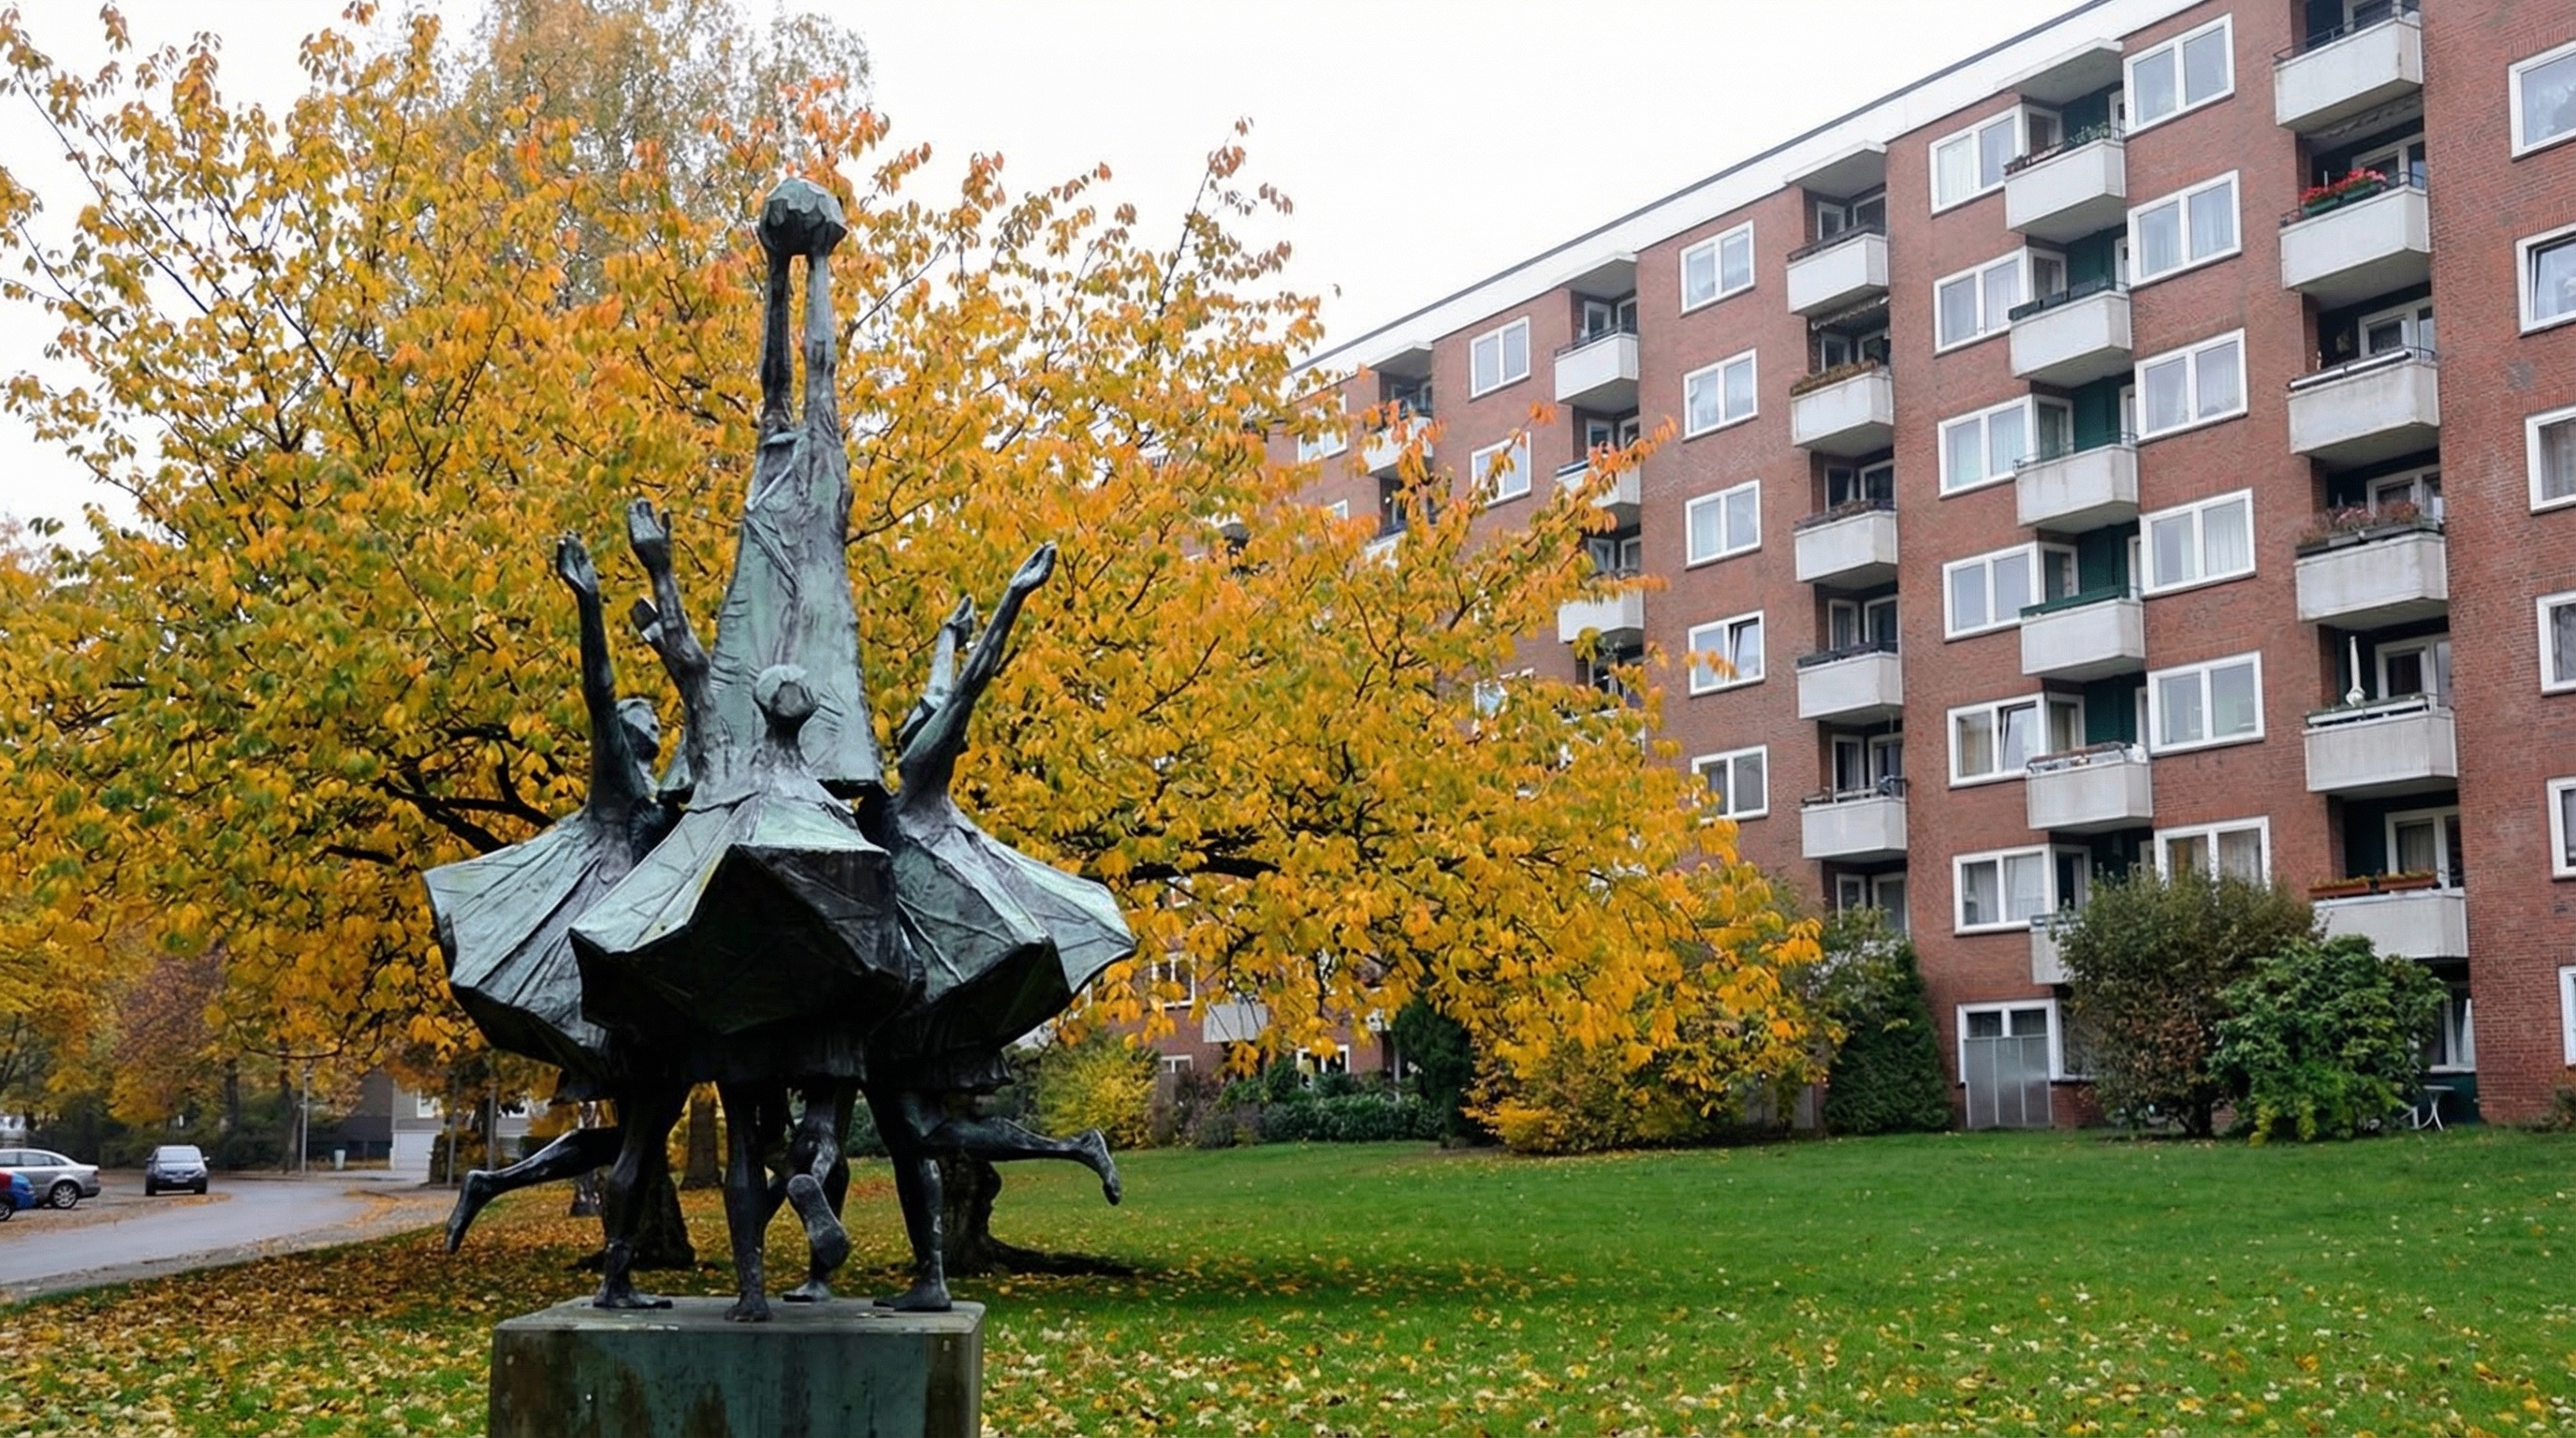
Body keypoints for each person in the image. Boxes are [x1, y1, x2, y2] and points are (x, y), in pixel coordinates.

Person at [425, 533, 689, 1310]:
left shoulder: (656, 800)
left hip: (638, 977)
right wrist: (592, 605)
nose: (647, 722)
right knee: (641, 1136)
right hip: (622, 985)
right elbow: (600, 691)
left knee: (636, 1133)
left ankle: (495, 1181)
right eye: (644, 720)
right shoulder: (620, 791)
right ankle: (615, 1280)